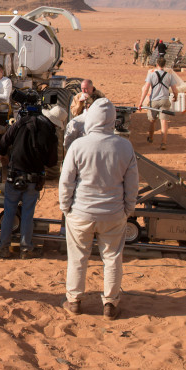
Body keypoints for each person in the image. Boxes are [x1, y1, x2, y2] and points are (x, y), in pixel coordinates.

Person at [59, 98, 138, 320]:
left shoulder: (78, 145)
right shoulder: (124, 146)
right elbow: (132, 183)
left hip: (81, 212)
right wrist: (127, 209)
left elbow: (66, 181)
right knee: (112, 258)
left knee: (77, 257)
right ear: (113, 120)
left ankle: (74, 299)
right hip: (113, 213)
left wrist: (66, 208)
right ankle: (110, 303)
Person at [0, 96, 58, 258]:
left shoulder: (20, 123)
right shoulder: (50, 133)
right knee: (28, 214)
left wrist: (4, 156)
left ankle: (3, 248)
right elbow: (52, 162)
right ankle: (25, 248)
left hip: (14, 175)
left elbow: (3, 142)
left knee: (9, 212)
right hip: (34, 179)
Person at [138, 57, 174, 150]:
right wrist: (176, 96)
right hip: (165, 100)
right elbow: (175, 90)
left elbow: (146, 89)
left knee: (152, 120)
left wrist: (141, 102)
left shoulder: (151, 75)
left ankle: (151, 138)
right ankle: (163, 143)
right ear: (164, 65)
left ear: (157, 65)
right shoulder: (169, 76)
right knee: (164, 122)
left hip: (153, 100)